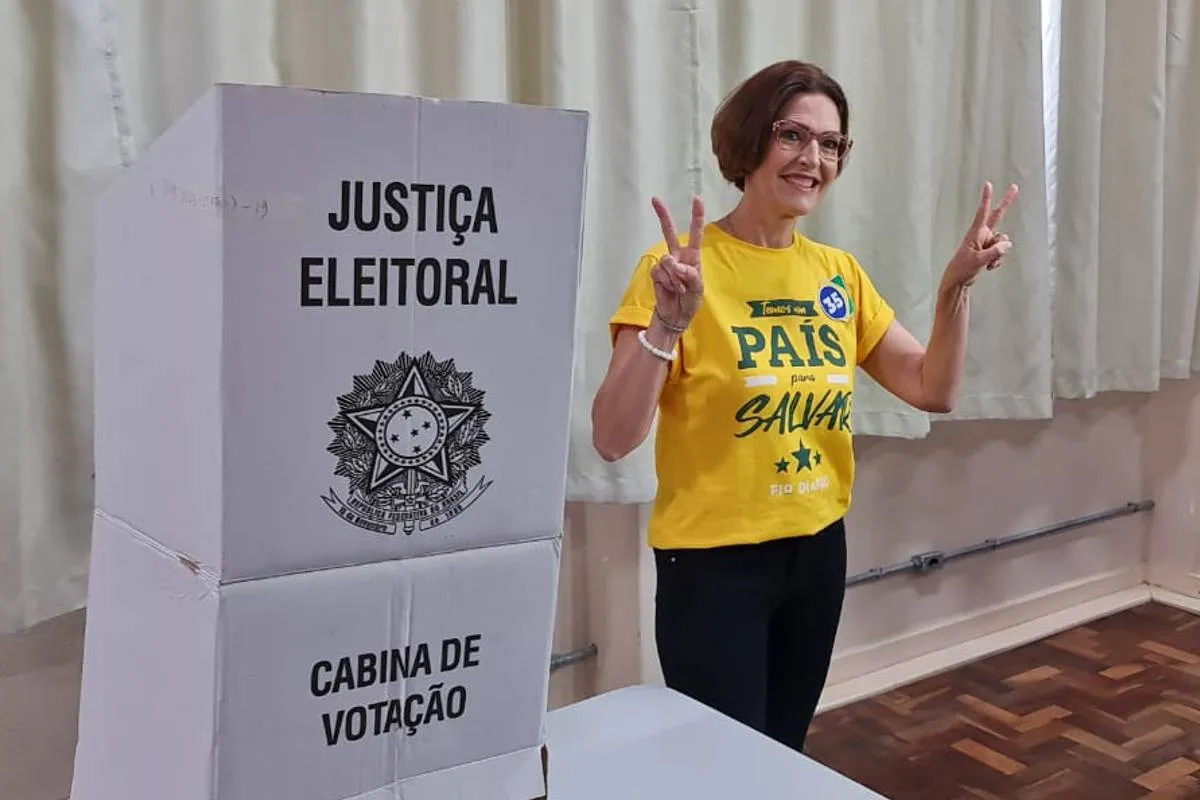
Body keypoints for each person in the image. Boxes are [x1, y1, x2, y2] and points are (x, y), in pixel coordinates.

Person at [590, 59, 1018, 754]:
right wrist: (667, 325)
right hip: (714, 564)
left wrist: (954, 290)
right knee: (723, 767)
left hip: (817, 553)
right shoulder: (677, 272)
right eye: (793, 135)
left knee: (782, 754)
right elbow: (613, 438)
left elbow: (930, 388)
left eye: (830, 144)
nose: (812, 159)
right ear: (751, 140)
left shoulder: (837, 273)